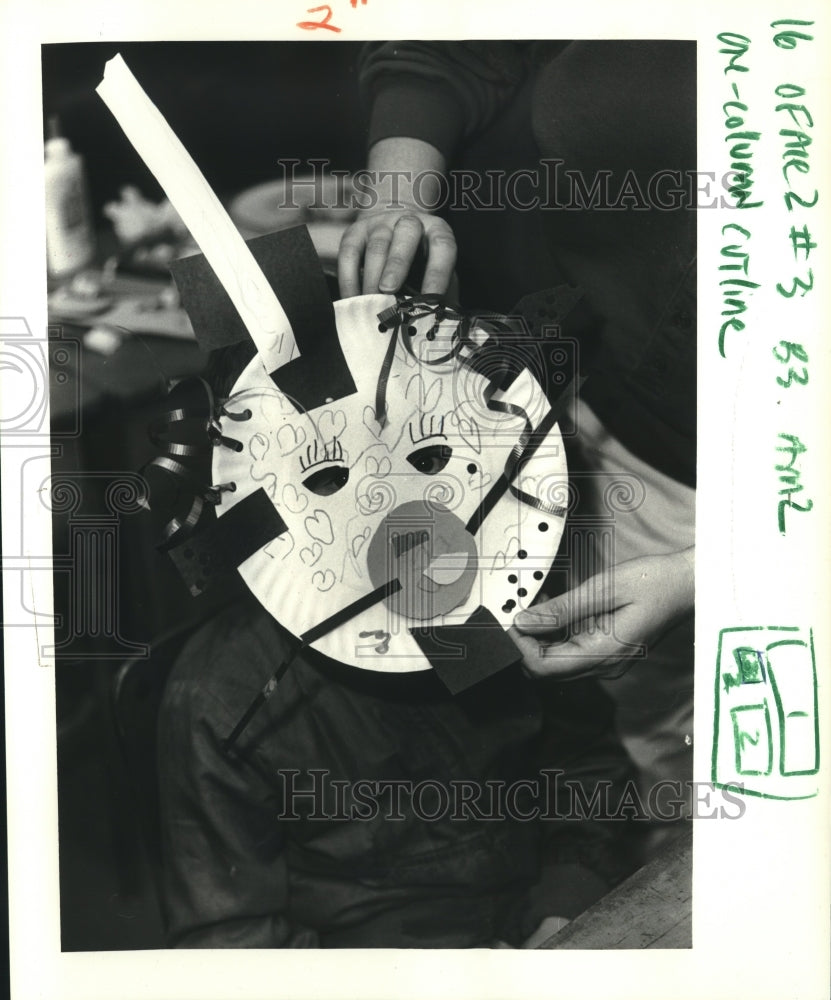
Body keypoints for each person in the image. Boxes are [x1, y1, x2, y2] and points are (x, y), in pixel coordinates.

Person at [338, 40, 697, 806]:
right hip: (607, 428)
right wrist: (398, 191)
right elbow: (458, 38)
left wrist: (709, 573)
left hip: (758, 518)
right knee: (660, 787)